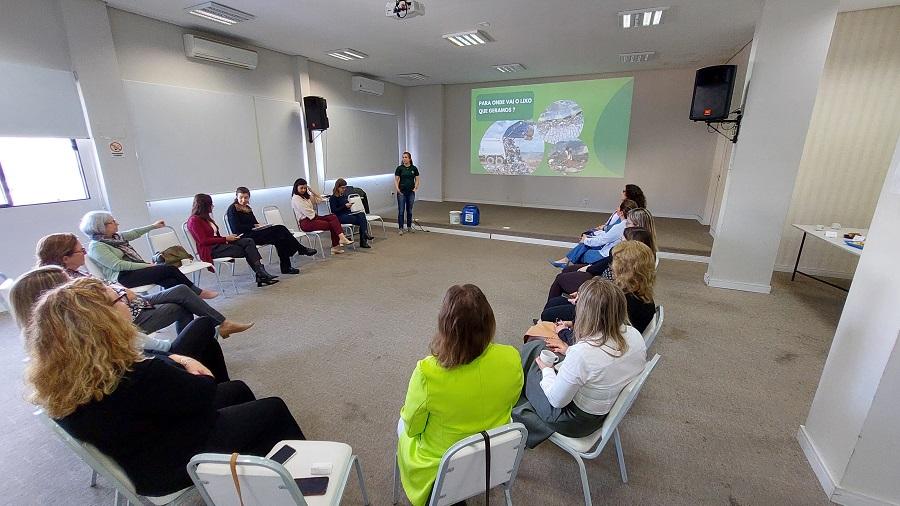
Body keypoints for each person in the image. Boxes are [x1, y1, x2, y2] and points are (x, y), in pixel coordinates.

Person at [25, 278, 306, 497]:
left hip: (139, 451)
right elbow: (202, 391)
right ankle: (301, 485)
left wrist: (178, 363)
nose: (126, 301)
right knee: (273, 408)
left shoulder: (63, 377)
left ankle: (252, 477)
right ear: (103, 320)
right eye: (119, 299)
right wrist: (193, 366)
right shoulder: (138, 374)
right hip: (172, 460)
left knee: (237, 390)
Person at [397, 284, 523, 506]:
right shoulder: (512, 357)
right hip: (493, 456)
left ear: (444, 326)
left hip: (441, 463)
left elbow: (413, 427)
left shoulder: (427, 372)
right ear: (489, 321)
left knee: (402, 428)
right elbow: (511, 402)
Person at [11, 272, 232, 381]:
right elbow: (158, 350)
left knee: (180, 296)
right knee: (201, 326)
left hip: (148, 357)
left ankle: (219, 328)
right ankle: (219, 330)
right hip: (156, 363)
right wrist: (179, 357)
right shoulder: (100, 333)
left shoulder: (49, 345)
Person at [513, 278, 646, 448]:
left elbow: (556, 401)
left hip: (574, 423)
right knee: (539, 349)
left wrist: (547, 370)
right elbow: (602, 364)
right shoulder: (635, 336)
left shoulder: (583, 352)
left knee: (533, 354)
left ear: (585, 312)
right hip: (607, 410)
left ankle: (513, 404)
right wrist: (568, 351)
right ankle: (521, 402)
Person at [35, 233, 253, 337]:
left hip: (128, 298)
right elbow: (100, 305)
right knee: (182, 303)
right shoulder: (64, 283)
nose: (84, 252)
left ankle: (220, 325)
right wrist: (123, 293)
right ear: (64, 257)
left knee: (179, 289)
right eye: (79, 250)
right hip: (125, 314)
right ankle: (196, 342)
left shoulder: (70, 272)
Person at [79, 211, 217, 299]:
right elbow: (118, 265)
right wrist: (145, 265)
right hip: (122, 277)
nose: (117, 223)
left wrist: (153, 226)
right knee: (169, 269)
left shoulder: (115, 237)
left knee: (171, 282)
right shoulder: (97, 246)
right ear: (101, 226)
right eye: (113, 221)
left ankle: (185, 302)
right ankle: (198, 293)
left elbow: (134, 233)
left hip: (134, 272)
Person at [541, 241, 658, 333]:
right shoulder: (637, 290)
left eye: (615, 262)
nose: (611, 266)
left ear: (625, 269)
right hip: (604, 321)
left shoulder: (625, 301)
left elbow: (597, 323)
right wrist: (586, 296)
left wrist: (582, 304)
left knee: (548, 313)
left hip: (600, 332)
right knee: (555, 302)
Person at [187, 193, 279, 287]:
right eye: (211, 204)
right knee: (246, 250)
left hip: (219, 244)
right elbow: (203, 241)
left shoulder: (206, 218)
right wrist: (225, 239)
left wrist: (228, 238)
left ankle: (261, 274)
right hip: (210, 250)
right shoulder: (194, 221)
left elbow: (214, 236)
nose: (213, 206)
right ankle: (261, 274)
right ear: (204, 206)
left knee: (248, 241)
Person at [225, 187, 317, 275]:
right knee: (281, 230)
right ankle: (300, 249)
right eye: (241, 197)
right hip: (244, 237)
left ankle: (287, 266)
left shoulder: (248, 208)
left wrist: (260, 226)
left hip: (254, 232)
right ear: (236, 197)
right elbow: (236, 228)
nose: (243, 200)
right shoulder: (232, 209)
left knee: (280, 237)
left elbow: (255, 223)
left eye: (246, 197)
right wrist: (253, 226)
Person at [546, 227, 655, 300]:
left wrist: (586, 292)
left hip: (600, 291)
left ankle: (546, 318)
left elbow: (607, 290)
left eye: (622, 239)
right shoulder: (635, 262)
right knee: (567, 271)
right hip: (601, 285)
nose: (620, 241)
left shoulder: (624, 259)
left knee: (561, 278)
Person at [550, 199, 638, 268]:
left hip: (604, 255)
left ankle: (569, 263)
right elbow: (606, 236)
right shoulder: (627, 224)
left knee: (582, 249)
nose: (616, 208)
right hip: (608, 251)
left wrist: (587, 239)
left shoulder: (621, 226)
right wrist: (590, 237)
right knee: (585, 244)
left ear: (621, 212)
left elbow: (603, 240)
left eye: (619, 207)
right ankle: (566, 261)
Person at [290, 178, 353, 255]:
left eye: (305, 188)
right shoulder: (296, 198)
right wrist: (317, 217)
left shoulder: (305, 196)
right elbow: (307, 211)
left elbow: (319, 199)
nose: (303, 190)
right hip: (305, 223)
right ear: (296, 187)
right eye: (301, 188)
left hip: (313, 218)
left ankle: (341, 238)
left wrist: (311, 190)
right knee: (332, 224)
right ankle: (336, 245)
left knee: (333, 217)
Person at [329, 178, 371, 249]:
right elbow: (334, 211)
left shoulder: (343, 196)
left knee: (361, 214)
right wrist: (344, 206)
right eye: (342, 188)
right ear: (338, 187)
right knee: (362, 221)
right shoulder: (333, 198)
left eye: (345, 188)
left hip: (347, 213)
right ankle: (364, 239)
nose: (344, 189)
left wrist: (349, 206)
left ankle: (364, 235)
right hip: (339, 216)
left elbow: (346, 207)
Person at [394, 151, 420, 235]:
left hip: (411, 192)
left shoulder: (414, 168)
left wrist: (415, 188)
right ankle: (401, 228)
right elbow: (396, 179)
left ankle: (409, 226)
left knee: (409, 210)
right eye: (403, 157)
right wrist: (397, 189)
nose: (404, 159)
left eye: (406, 157)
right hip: (402, 192)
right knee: (401, 210)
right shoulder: (399, 168)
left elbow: (417, 179)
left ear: (409, 159)